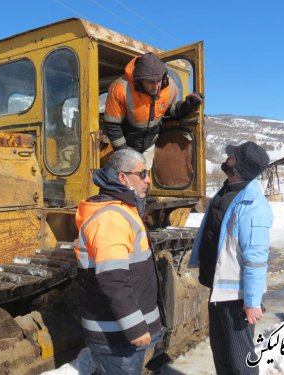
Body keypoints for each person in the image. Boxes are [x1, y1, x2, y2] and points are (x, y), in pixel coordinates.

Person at [189, 141, 273, 375]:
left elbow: (256, 259)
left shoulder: (253, 206)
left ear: (239, 168)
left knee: (241, 363)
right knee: (222, 357)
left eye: (232, 158)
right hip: (218, 290)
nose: (228, 159)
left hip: (237, 298)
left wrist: (252, 301)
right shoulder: (228, 190)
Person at [74, 149, 161, 375]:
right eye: (142, 174)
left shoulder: (122, 210)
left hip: (120, 334)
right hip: (117, 339)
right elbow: (112, 279)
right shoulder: (111, 218)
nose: (148, 179)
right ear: (123, 178)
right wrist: (135, 328)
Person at [104, 52, 203, 169]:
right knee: (125, 181)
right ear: (140, 80)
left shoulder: (170, 88)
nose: (156, 87)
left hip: (149, 144)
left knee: (142, 180)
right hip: (127, 144)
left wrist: (186, 106)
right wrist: (124, 153)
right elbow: (112, 125)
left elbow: (168, 111)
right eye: (150, 82)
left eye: (159, 81)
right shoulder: (120, 89)